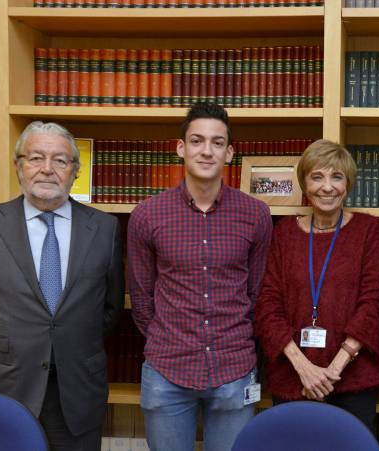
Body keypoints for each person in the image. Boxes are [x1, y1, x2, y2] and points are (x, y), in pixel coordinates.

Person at [0, 121, 124, 451]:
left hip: (77, 391)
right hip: (7, 385)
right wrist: (8, 346)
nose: (47, 169)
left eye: (60, 160)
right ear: (19, 166)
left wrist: (67, 342)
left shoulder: (105, 229)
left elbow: (110, 309)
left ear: (75, 171)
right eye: (36, 158)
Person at [128, 102, 272, 451]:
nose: (206, 151)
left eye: (217, 142)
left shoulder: (255, 214)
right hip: (167, 370)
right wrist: (172, 338)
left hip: (233, 371)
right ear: (181, 148)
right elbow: (141, 297)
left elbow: (256, 292)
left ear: (230, 152)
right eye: (197, 141)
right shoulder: (147, 215)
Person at [255, 139, 379, 430]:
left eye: (336, 177)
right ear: (304, 183)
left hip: (352, 379)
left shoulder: (368, 230)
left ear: (348, 184)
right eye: (317, 176)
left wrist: (333, 370)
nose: (327, 187)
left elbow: (373, 303)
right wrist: (304, 369)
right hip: (293, 378)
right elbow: (268, 305)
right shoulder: (285, 233)